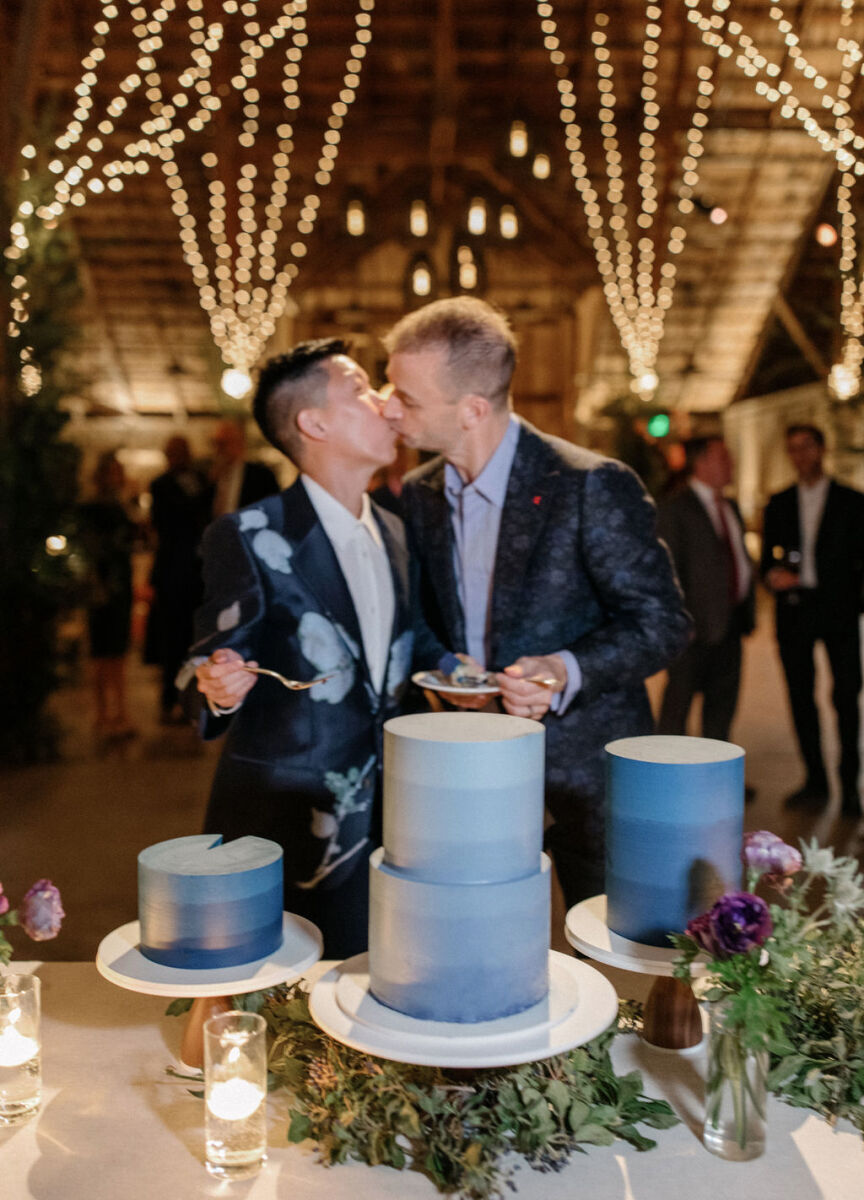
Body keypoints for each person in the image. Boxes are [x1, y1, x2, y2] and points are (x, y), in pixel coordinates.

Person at [381, 296, 690, 908]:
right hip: (466, 766)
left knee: (606, 946)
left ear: (472, 410)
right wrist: (447, 668)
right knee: (477, 930)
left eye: (407, 399)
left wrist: (563, 670)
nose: (388, 409)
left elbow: (663, 623)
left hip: (584, 769)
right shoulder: (414, 496)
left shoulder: (590, 484)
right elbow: (414, 618)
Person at [182, 339, 414, 957]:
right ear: (314, 423)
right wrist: (218, 682)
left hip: (389, 811)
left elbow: (404, 647)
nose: (386, 403)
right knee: (271, 998)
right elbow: (206, 659)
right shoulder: (250, 534)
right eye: (362, 389)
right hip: (286, 817)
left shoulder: (394, 529)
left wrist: (458, 672)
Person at [761, 423, 864, 816]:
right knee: (801, 698)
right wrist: (774, 577)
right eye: (793, 450)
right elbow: (766, 564)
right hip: (795, 612)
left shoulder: (852, 503)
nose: (800, 456)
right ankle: (815, 781)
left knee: (846, 697)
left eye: (806, 447)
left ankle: (850, 787)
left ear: (822, 449)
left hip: (838, 612)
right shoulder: (780, 503)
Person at [656, 436, 755, 742]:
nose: (730, 464)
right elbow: (666, 573)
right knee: (677, 710)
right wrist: (679, 623)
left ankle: (717, 781)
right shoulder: (676, 509)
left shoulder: (731, 507)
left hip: (731, 625)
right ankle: (668, 780)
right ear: (700, 463)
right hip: (692, 631)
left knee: (721, 711)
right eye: (722, 457)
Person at [147, 436, 209, 723]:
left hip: (199, 576)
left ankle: (195, 700)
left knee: (197, 640)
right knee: (172, 642)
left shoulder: (203, 480)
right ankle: (171, 699)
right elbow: (166, 522)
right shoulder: (160, 486)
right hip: (172, 576)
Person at [78, 451, 139, 739]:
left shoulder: (120, 505)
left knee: (117, 651)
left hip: (119, 584)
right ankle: (104, 714)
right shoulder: (94, 508)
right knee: (103, 653)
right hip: (103, 586)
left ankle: (119, 712)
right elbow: (98, 547)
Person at [207, 418, 280, 518]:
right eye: (216, 444)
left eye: (224, 444)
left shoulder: (261, 477)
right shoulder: (210, 476)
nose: (219, 450)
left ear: (239, 443)